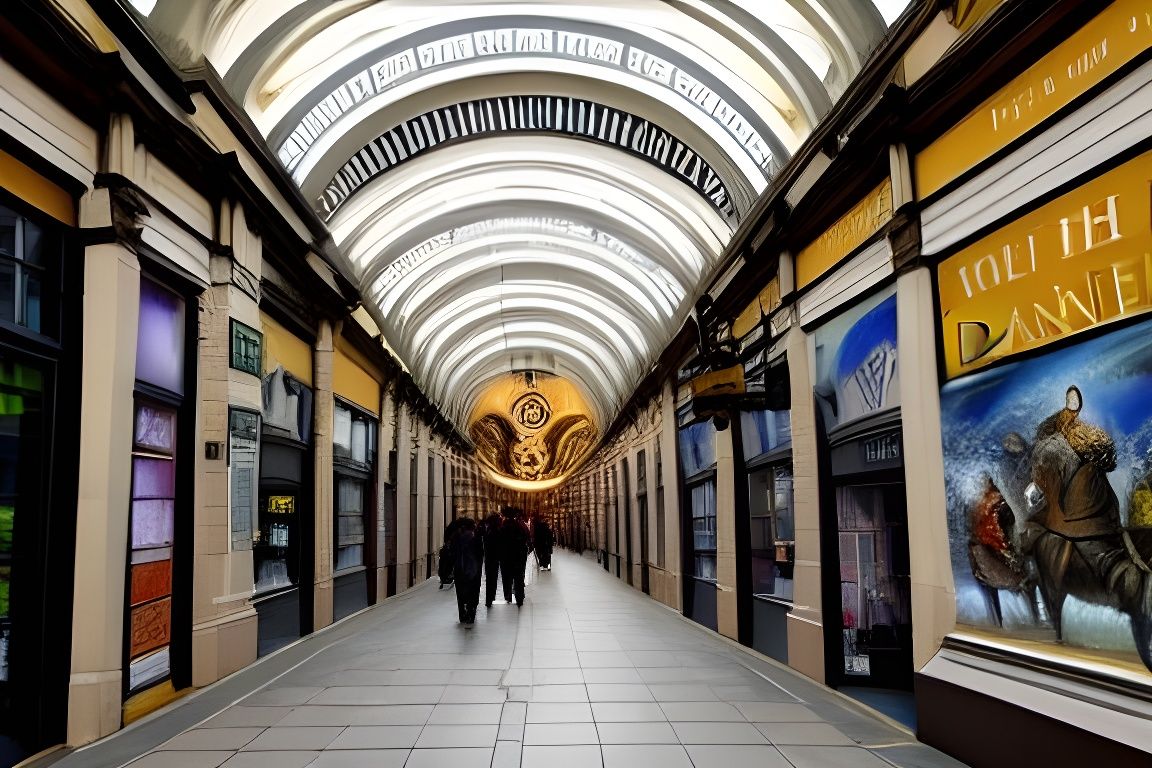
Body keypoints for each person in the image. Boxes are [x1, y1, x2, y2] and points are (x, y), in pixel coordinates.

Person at [447, 517, 483, 625]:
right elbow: (480, 554)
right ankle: (471, 612)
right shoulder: (476, 537)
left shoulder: (455, 537)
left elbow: (451, 554)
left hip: (459, 569)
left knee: (460, 593)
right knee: (473, 591)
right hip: (473, 570)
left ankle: (462, 613)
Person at [498, 506, 532, 606]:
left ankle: (508, 596)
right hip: (519, 555)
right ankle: (519, 597)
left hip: (506, 556)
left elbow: (499, 542)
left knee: (506, 577)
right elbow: (527, 537)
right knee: (519, 576)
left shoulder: (502, 526)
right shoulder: (520, 525)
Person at [480, 512, 504, 607]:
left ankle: (489, 598)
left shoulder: (487, 530)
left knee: (490, 578)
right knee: (492, 578)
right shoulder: (498, 531)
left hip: (489, 557)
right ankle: (490, 597)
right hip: (494, 557)